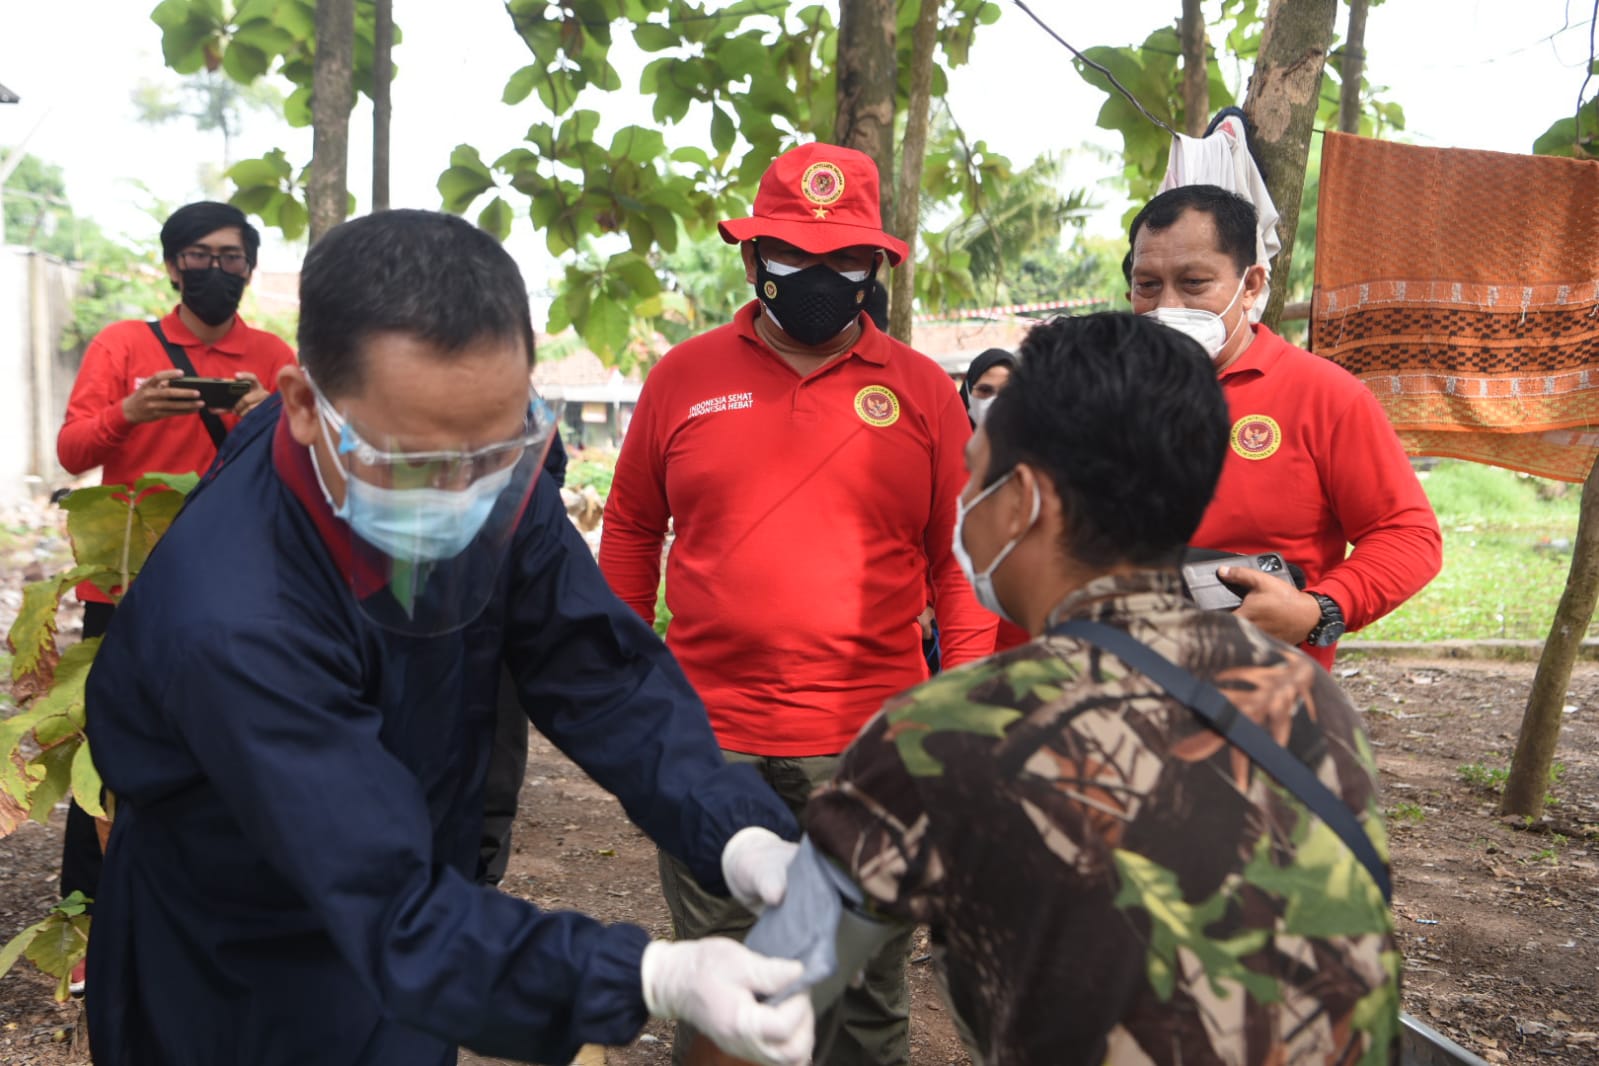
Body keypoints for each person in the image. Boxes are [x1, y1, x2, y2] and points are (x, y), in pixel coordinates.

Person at [82, 210, 816, 1066]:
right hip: (241, 949)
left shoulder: (479, 462)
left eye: (496, 450)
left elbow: (597, 669)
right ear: (306, 407)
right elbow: (381, 901)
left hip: (428, 912)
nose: (464, 492)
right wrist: (649, 976)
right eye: (417, 464)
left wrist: (734, 830)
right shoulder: (235, 617)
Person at [752, 312, 1400, 1065]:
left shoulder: (947, 730)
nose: (962, 500)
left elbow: (759, 997)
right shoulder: (1307, 697)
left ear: (1022, 498)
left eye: (974, 471)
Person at [598, 141, 998, 1066]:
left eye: (845, 263)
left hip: (872, 742)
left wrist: (960, 715)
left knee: (862, 986)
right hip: (709, 740)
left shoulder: (923, 397)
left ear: (876, 267)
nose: (819, 280)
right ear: (750, 260)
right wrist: (625, 689)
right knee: (724, 986)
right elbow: (628, 533)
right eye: (794, 261)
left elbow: (959, 564)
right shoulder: (682, 378)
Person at [53, 200, 295, 991]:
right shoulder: (124, 344)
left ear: (250, 270)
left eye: (231, 257)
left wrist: (270, 420)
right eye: (199, 255)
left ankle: (209, 922)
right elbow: (71, 449)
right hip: (126, 580)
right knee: (108, 758)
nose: (216, 270)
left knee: (224, 754)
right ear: (170, 265)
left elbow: (303, 470)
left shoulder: (272, 354)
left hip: (236, 588)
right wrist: (129, 411)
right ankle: (89, 927)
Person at [1126, 184, 1441, 668]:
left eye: (1193, 283)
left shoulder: (1324, 395)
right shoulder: (1104, 392)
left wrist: (1318, 608)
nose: (1168, 306)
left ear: (1250, 285)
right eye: (1148, 285)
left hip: (1266, 705)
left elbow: (1407, 534)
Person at [957, 347, 1015, 428]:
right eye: (985, 390)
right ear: (967, 391)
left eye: (1006, 393)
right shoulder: (947, 437)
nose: (994, 402)